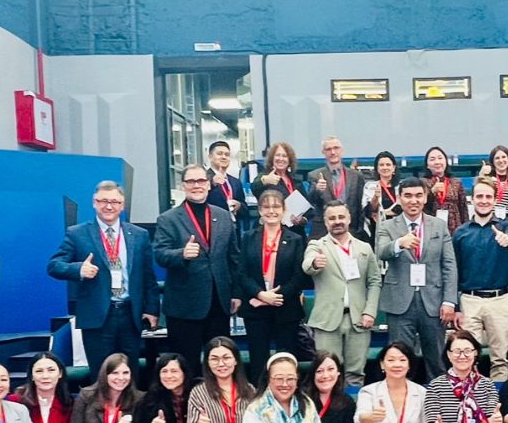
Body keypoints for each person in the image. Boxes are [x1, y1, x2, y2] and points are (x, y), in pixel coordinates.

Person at [46, 180, 159, 378]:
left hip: (130, 315)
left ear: (122, 205)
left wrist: (151, 309)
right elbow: (54, 266)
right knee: (101, 375)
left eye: (115, 202)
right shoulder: (77, 233)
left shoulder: (139, 235)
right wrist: (79, 269)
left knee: (129, 374)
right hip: (97, 317)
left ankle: (128, 410)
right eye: (103, 201)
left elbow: (148, 276)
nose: (109, 206)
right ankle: (102, 410)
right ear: (94, 203)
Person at [154, 164, 240, 372]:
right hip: (185, 308)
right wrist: (180, 254)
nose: (196, 185)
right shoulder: (168, 219)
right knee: (186, 367)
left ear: (208, 184)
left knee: (220, 367)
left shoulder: (223, 216)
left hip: (218, 304)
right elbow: (159, 254)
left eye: (201, 181)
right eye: (191, 181)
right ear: (183, 185)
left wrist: (236, 293)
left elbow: (234, 258)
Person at [375, 176, 458, 378]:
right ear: (399, 198)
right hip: (400, 302)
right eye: (408, 196)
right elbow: (381, 251)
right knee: (400, 360)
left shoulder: (438, 225)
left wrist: (449, 301)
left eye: (418, 196)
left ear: (425, 197)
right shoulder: (387, 226)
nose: (414, 201)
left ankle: (438, 405)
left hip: (434, 301)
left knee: (437, 360)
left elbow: (449, 264)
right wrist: (399, 244)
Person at [303, 199, 381, 387]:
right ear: (325, 221)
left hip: (359, 319)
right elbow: (307, 265)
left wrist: (370, 311)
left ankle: (354, 414)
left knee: (356, 374)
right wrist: (315, 263)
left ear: (348, 218)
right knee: (327, 374)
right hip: (327, 321)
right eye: (332, 218)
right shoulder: (317, 245)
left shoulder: (364, 248)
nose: (337, 221)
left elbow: (375, 281)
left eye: (340, 217)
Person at [451, 177, 508, 383]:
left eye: (488, 197)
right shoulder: (461, 233)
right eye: (480, 196)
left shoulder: (505, 227)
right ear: (473, 199)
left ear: (495, 199)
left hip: (499, 300)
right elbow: (454, 271)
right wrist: (455, 306)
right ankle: (467, 401)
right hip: (469, 300)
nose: (484, 200)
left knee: (500, 358)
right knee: (466, 356)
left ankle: (497, 405)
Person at [235, 182, 309, 378]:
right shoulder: (248, 237)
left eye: (276, 206)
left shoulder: (296, 239)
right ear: (259, 210)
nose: (271, 211)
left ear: (284, 210)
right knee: (259, 363)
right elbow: (241, 273)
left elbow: (299, 276)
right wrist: (261, 294)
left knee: (286, 361)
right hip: (256, 309)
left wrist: (276, 296)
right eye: (266, 207)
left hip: (285, 307)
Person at [304, 135, 366, 236]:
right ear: (323, 152)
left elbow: (360, 205)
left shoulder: (356, 176)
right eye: (328, 149)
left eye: (336, 148)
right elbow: (310, 200)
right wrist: (317, 189)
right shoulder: (315, 175)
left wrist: (359, 230)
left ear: (342, 150)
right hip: (324, 231)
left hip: (351, 231)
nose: (333, 152)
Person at [18, 349, 74, 423]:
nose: (45, 376)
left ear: (60, 374)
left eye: (51, 370)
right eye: (39, 371)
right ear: (32, 376)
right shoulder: (17, 402)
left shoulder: (68, 403)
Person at [422, 145, 469, 235]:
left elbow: (463, 209)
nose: (437, 162)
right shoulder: (422, 183)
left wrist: (466, 229)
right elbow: (421, 207)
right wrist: (432, 193)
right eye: (432, 159)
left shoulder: (456, 182)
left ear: (446, 161)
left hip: (455, 229)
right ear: (427, 165)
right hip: (431, 229)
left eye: (440, 158)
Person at [258, 140, 307, 224]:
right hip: (273, 226)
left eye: (284, 156)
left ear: (289, 160)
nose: (281, 159)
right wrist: (265, 180)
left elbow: (307, 211)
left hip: (296, 230)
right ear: (272, 159)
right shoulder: (265, 176)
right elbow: (254, 187)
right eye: (277, 155)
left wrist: (302, 220)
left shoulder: (297, 181)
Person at [204, 139, 246, 224]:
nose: (223, 157)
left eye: (227, 155)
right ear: (210, 157)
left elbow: (245, 208)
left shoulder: (235, 182)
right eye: (219, 154)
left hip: (233, 227)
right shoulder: (203, 178)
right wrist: (212, 183)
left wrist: (239, 206)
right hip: (211, 226)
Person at [364, 150, 403, 241]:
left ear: (394, 168)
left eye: (388, 165)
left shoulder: (401, 187)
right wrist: (375, 197)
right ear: (377, 168)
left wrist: (383, 213)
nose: (385, 167)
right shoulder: (370, 186)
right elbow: (369, 211)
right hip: (378, 230)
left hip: (398, 229)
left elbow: (402, 209)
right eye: (381, 165)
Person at [481, 144, 508, 226]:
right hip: (489, 222)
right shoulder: (487, 179)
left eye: (503, 157)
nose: (501, 160)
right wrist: (481, 175)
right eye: (497, 158)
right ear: (492, 161)